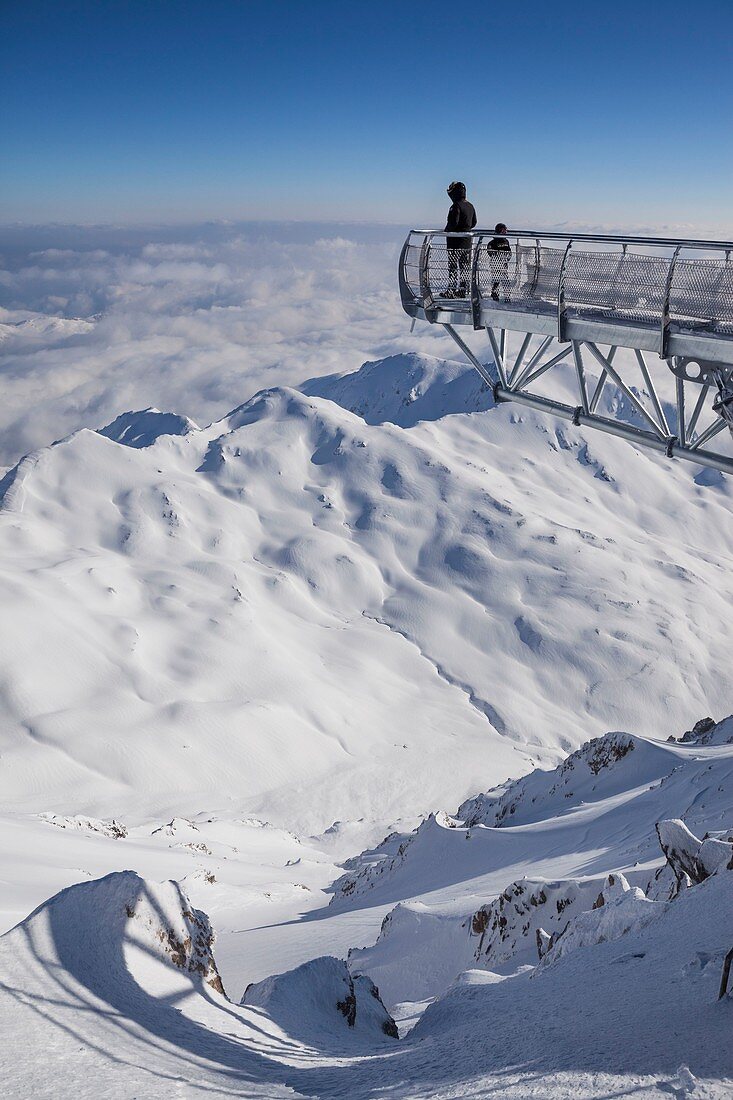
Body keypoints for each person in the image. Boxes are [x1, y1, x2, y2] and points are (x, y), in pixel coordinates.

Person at [443, 181, 476, 298]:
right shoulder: (470, 205)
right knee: (464, 266)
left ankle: (451, 290)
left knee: (452, 266)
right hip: (467, 241)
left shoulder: (456, 206)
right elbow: (474, 222)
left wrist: (447, 231)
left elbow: (453, 223)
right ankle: (462, 290)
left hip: (455, 241)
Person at [487, 223, 512, 302]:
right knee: (496, 279)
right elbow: (490, 252)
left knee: (505, 280)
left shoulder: (506, 241)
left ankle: (507, 296)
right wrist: (498, 257)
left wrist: (506, 259)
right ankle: (495, 293)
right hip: (496, 264)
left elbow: (509, 252)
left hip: (504, 263)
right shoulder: (492, 242)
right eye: (504, 230)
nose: (506, 232)